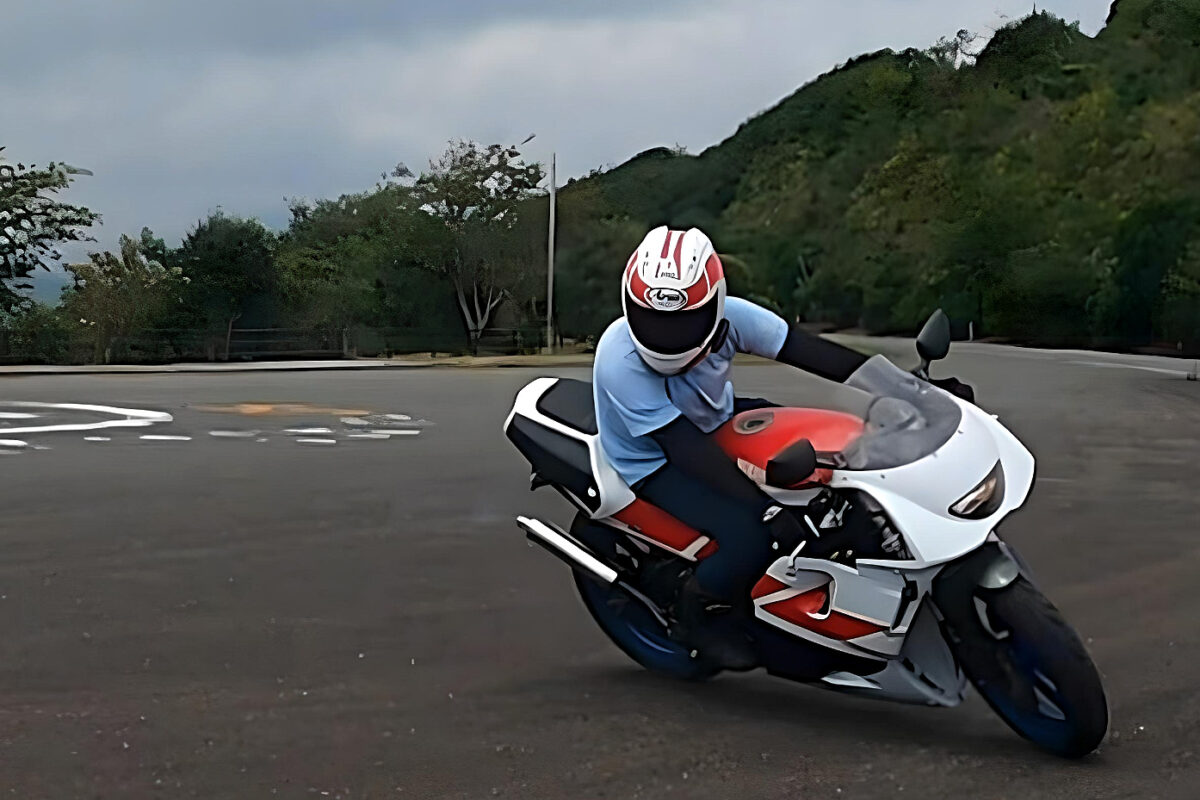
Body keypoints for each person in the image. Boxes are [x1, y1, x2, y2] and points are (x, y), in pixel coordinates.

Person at [592, 226, 971, 669]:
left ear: (714, 301)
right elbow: (683, 448)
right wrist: (766, 510)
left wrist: (911, 392)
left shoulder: (733, 318)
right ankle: (696, 616)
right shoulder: (619, 359)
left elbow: (810, 351)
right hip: (652, 458)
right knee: (751, 536)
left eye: (683, 321)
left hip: (716, 419)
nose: (667, 334)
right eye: (654, 320)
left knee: (838, 459)